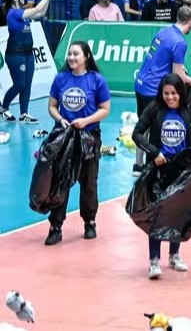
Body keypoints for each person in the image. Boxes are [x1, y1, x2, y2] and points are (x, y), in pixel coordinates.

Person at [131, 73, 191, 279]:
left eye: (174, 93)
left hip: (182, 171)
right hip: (158, 170)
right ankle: (154, 260)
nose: (170, 97)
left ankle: (174, 255)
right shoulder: (154, 109)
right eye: (166, 93)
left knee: (179, 212)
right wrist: (154, 153)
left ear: (181, 93)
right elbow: (137, 134)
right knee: (157, 213)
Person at [43, 41, 111, 246]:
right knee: (60, 180)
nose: (71, 57)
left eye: (76, 54)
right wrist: (60, 119)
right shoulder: (61, 78)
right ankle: (55, 226)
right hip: (64, 137)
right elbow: (52, 106)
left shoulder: (96, 80)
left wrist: (86, 121)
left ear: (86, 57)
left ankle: (90, 222)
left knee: (88, 181)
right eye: (69, 54)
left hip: (88, 137)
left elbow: (105, 108)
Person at [132, 5, 191, 175]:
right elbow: (177, 74)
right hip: (153, 88)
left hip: (140, 83)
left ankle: (137, 164)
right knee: (153, 128)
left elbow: (166, 63)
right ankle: (151, 164)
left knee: (142, 125)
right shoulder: (180, 42)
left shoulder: (163, 32)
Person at [1, 0, 54, 123]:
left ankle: (24, 113)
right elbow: (37, 8)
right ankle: (4, 107)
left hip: (28, 54)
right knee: (19, 84)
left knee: (27, 85)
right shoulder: (13, 13)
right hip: (15, 55)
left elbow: (41, 13)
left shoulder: (24, 14)